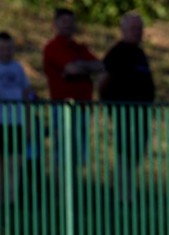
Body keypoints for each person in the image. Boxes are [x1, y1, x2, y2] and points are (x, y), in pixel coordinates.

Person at [99, 11, 156, 202]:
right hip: (124, 114)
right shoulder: (117, 52)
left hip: (142, 113)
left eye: (139, 28)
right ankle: (122, 195)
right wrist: (110, 106)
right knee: (125, 153)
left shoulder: (139, 53)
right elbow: (103, 79)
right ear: (123, 30)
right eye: (133, 28)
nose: (137, 32)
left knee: (136, 152)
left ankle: (128, 191)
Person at [43, 8, 103, 165]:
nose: (68, 25)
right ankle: (59, 188)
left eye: (71, 22)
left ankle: (74, 188)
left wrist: (80, 65)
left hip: (83, 107)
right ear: (55, 24)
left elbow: (100, 66)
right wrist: (82, 67)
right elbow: (72, 68)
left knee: (79, 156)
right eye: (64, 22)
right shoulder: (53, 46)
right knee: (62, 154)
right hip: (63, 108)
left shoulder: (79, 47)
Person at [0, 31, 35, 204]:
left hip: (16, 122)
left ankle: (11, 200)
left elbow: (27, 95)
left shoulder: (18, 68)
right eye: (2, 48)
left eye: (9, 48)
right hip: (1, 122)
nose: (6, 52)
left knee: (15, 162)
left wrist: (28, 123)